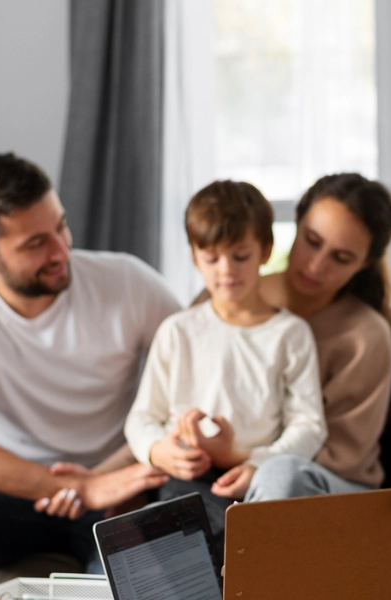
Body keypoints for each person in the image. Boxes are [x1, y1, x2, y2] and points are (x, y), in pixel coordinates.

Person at [0, 153, 179, 600]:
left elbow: (200, 377)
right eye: (36, 244)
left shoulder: (127, 282)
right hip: (9, 493)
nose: (61, 250)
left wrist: (114, 476)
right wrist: (69, 486)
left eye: (61, 226)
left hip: (114, 491)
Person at [124, 180, 328, 540]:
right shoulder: (178, 330)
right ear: (194, 257)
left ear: (265, 251)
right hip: (185, 482)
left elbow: (309, 425)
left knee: (255, 541)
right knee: (140, 553)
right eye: (212, 258)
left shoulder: (290, 334)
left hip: (255, 481)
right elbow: (142, 417)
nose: (226, 270)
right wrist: (159, 451)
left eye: (240, 255)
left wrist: (256, 463)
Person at [241, 173, 391, 500]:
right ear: (297, 222)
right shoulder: (229, 297)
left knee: (281, 474)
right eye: (311, 241)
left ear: (365, 263)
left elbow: (344, 455)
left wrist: (246, 461)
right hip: (223, 468)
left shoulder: (366, 336)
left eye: (340, 258)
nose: (315, 266)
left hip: (326, 483)